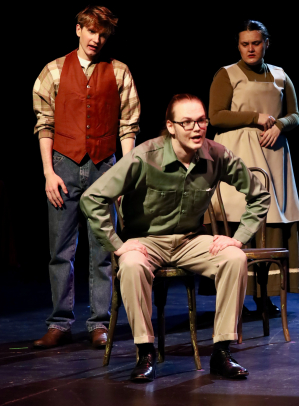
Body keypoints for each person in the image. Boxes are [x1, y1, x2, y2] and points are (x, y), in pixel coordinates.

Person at [80, 93, 271, 381]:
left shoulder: (216, 154)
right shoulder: (145, 156)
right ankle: (145, 353)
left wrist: (239, 238)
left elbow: (259, 195)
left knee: (234, 258)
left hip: (190, 240)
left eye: (202, 121)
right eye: (188, 122)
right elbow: (92, 197)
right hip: (145, 241)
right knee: (131, 265)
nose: (197, 128)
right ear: (171, 127)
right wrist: (117, 245)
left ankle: (221, 352)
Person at [32, 5, 140, 349]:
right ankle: (60, 323)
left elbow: (128, 126)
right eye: (92, 31)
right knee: (60, 249)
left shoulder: (119, 72)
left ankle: (99, 323)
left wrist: (124, 174)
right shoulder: (53, 71)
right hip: (63, 165)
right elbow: (44, 123)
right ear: (78, 29)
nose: (97, 39)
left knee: (103, 250)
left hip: (104, 167)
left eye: (103, 34)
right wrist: (49, 172)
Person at [207, 20, 299, 312]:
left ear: (266, 44)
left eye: (256, 43)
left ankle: (266, 294)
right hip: (238, 153)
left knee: (272, 218)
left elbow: (295, 114)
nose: (251, 48)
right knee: (238, 216)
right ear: (239, 46)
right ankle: (235, 296)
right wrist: (255, 117)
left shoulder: (280, 75)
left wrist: (280, 126)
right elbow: (216, 116)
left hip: (272, 154)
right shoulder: (227, 74)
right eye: (245, 44)